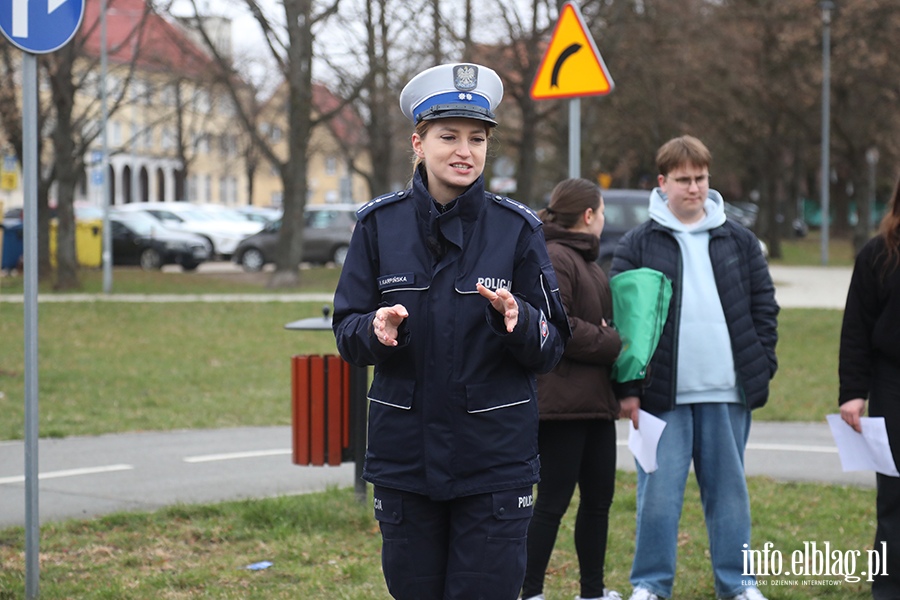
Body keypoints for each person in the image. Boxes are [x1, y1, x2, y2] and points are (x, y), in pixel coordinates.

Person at [331, 62, 570, 600]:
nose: (465, 150)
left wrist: (519, 322)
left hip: (494, 467)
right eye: (449, 137)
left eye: (477, 139)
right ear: (418, 142)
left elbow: (553, 345)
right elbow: (346, 331)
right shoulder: (377, 227)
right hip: (406, 464)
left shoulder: (517, 230)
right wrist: (375, 328)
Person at [610, 135, 778, 600]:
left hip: (728, 391)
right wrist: (628, 388)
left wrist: (761, 362)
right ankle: (649, 585)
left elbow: (764, 307)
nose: (694, 188)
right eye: (683, 180)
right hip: (661, 395)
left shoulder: (740, 241)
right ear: (662, 183)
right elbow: (625, 323)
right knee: (658, 499)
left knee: (729, 497)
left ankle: (740, 585)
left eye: (701, 178)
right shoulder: (637, 244)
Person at [521, 178, 623, 600]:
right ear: (588, 216)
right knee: (551, 504)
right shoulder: (557, 256)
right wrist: (611, 341)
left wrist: (604, 334)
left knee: (599, 502)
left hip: (597, 405)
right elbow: (557, 325)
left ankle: (592, 592)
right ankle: (528, 592)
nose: (603, 220)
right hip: (561, 407)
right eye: (601, 212)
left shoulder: (590, 263)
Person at [839, 173, 900, 600]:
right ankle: (890, 585)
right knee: (894, 493)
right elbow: (856, 330)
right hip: (891, 382)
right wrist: (853, 392)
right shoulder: (879, 254)